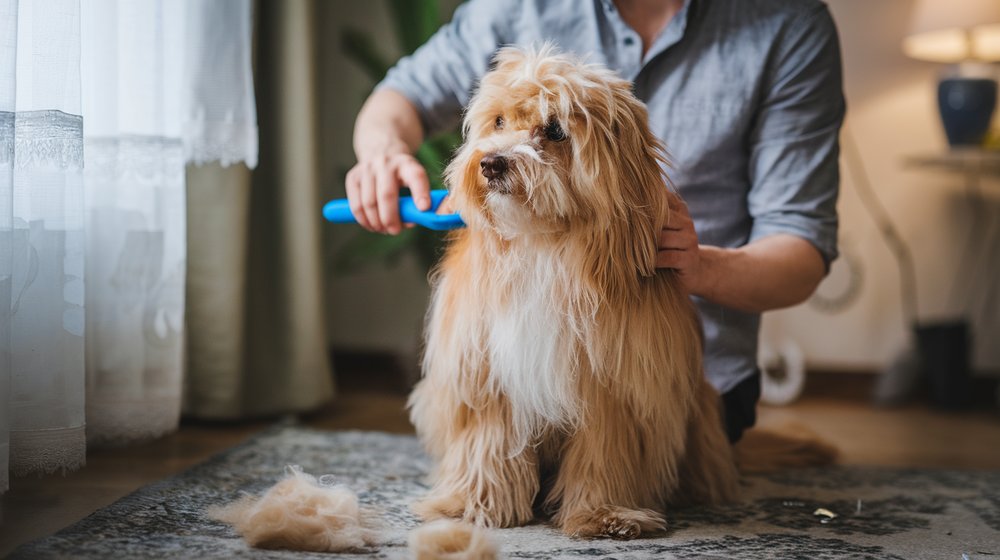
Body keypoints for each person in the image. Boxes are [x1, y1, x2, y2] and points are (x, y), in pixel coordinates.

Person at [345, 0, 845, 443]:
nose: (500, 150)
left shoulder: (790, 22)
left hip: (688, 389)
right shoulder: (514, 6)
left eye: (554, 132)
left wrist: (700, 266)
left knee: (617, 497)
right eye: (499, 125)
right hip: (502, 357)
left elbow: (799, 247)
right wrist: (382, 152)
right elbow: (400, 96)